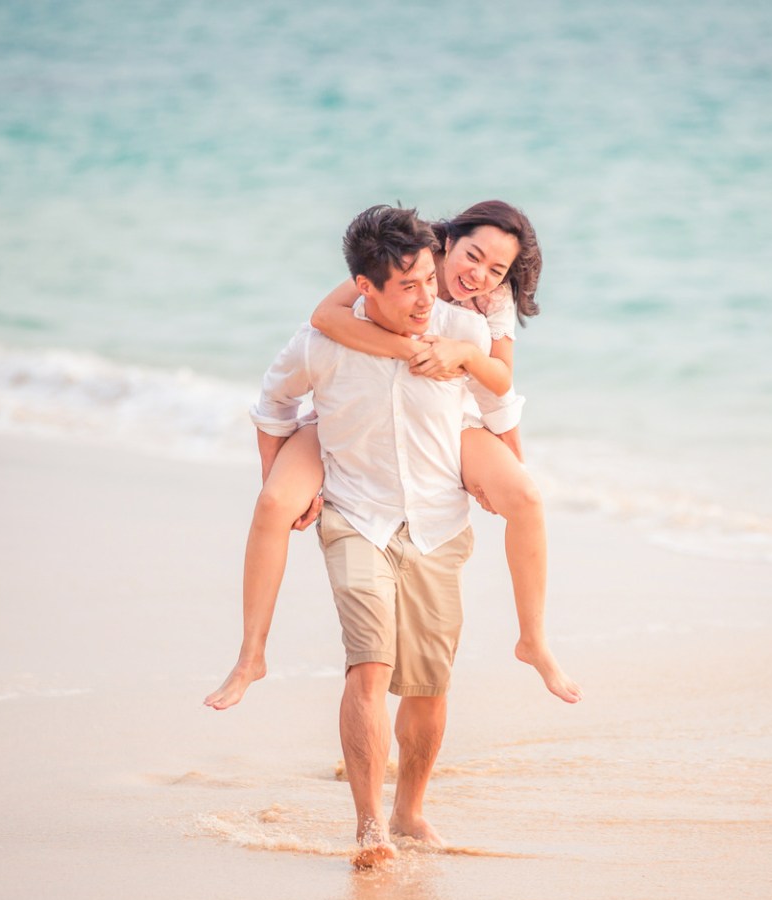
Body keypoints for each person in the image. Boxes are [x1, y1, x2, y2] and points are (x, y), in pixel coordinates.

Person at [204, 201, 579, 712]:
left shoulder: (489, 305)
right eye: (473, 256)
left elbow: (500, 387)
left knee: (526, 498)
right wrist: (410, 348)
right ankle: (251, 657)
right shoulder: (402, 262)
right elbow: (323, 319)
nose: (480, 275)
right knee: (273, 504)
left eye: (498, 269)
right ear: (447, 241)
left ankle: (532, 639)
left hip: (449, 420)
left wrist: (468, 364)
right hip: (351, 413)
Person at [245, 204, 516, 866]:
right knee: (370, 665)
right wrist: (287, 480)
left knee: (428, 686)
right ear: (365, 288)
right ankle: (369, 826)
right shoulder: (322, 342)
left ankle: (410, 812)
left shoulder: (463, 333)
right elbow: (271, 404)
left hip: (437, 522)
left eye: (431, 278)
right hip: (355, 517)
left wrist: (504, 480)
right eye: (408, 286)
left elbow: (499, 403)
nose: (428, 297)